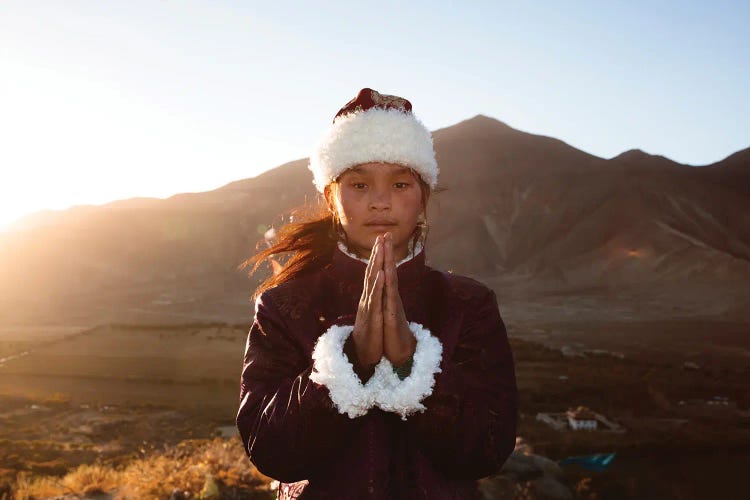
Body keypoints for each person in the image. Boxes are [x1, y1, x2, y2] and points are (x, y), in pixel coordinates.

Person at [236, 88, 518, 499]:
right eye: (360, 184)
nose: (381, 201)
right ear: (332, 197)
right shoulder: (285, 305)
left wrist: (414, 365)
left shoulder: (468, 305)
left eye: (401, 183)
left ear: (423, 198)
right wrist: (348, 363)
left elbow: (487, 450)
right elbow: (270, 450)